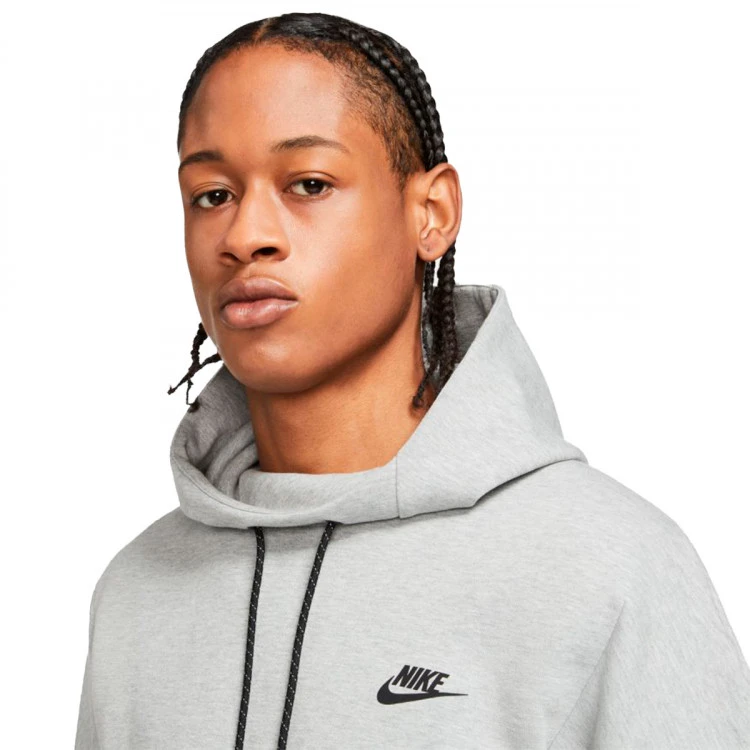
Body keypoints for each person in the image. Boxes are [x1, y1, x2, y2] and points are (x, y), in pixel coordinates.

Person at [74, 12, 750, 750]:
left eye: (309, 183)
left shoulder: (610, 569)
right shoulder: (135, 594)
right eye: (212, 194)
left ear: (432, 213)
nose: (244, 237)